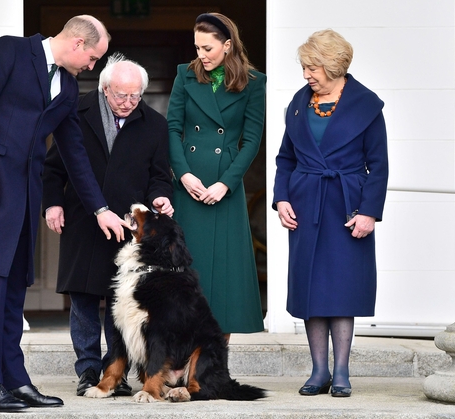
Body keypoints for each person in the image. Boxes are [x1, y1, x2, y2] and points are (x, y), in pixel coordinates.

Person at [0, 15, 130, 412]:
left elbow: (74, 153)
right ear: (79, 44)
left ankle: (15, 380)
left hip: (26, 198)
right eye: (95, 58)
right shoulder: (9, 50)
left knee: (15, 292)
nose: (93, 67)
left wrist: (100, 209)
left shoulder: (66, 84)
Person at [42, 52, 174, 397]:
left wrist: (160, 197)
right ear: (104, 89)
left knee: (122, 303)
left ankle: (117, 372)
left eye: (135, 95)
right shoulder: (75, 114)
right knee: (84, 300)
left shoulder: (155, 125)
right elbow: (53, 168)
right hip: (84, 220)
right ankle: (88, 371)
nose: (129, 102)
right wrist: (53, 203)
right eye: (121, 95)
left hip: (128, 230)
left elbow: (160, 176)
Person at [272, 29, 388, 398]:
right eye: (305, 66)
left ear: (335, 66)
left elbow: (379, 165)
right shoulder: (298, 102)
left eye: (314, 67)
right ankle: (318, 370)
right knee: (311, 288)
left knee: (341, 287)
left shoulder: (366, 105)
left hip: (345, 205)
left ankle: (341, 372)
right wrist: (281, 199)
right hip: (305, 205)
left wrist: (369, 212)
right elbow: (285, 158)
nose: (307, 74)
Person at [166, 13, 265, 342]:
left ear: (227, 45)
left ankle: (214, 363)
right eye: (197, 48)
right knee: (185, 270)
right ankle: (179, 362)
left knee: (224, 277)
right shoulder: (185, 75)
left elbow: (251, 140)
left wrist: (226, 183)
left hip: (226, 186)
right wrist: (183, 174)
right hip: (190, 186)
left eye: (207, 48)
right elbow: (173, 128)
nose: (201, 55)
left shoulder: (254, 81)